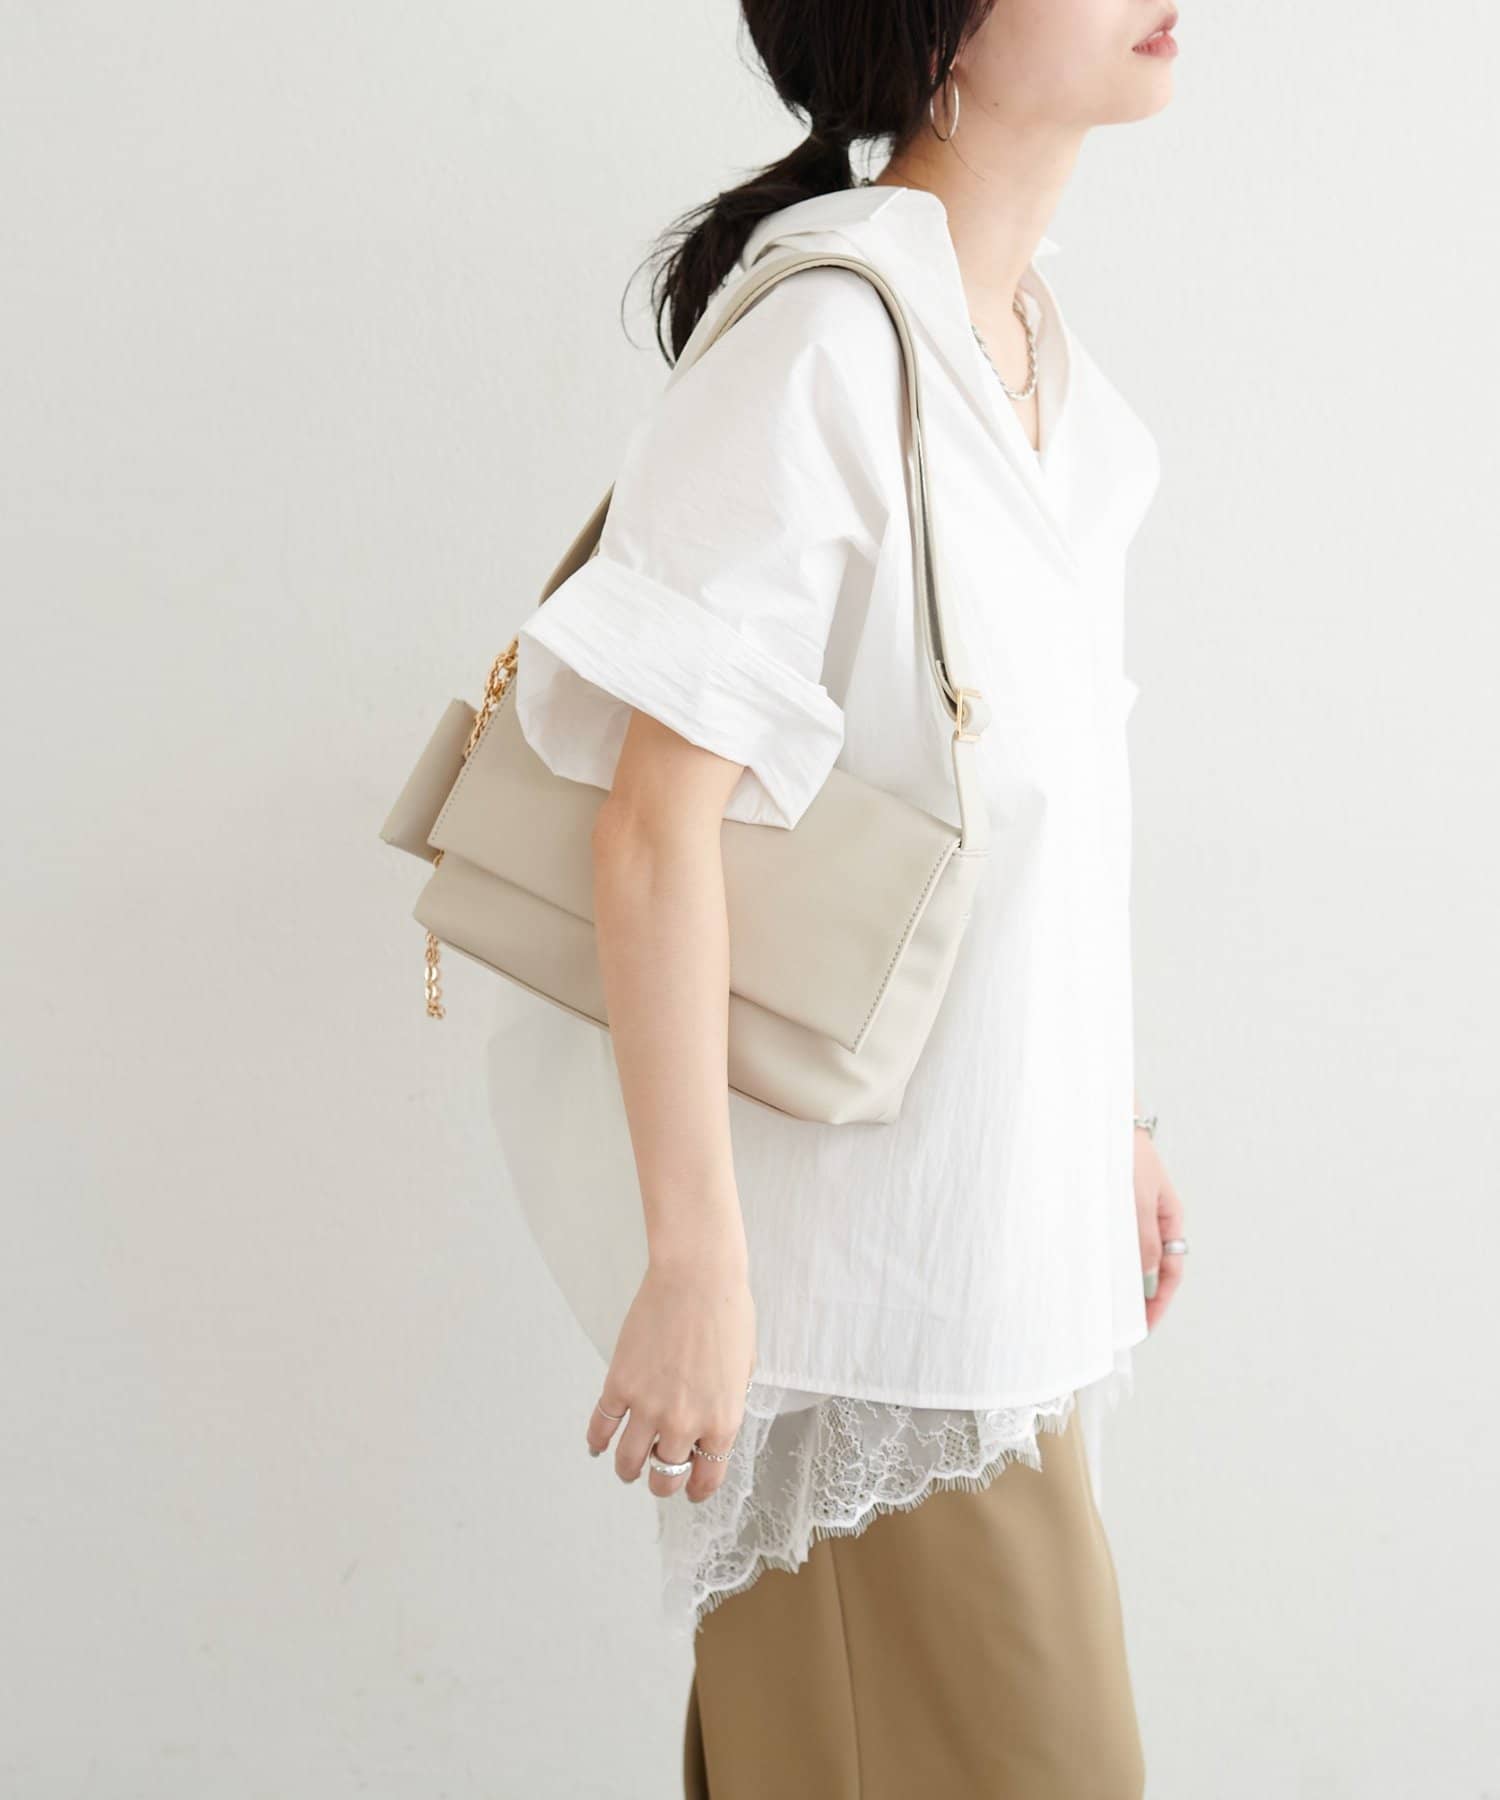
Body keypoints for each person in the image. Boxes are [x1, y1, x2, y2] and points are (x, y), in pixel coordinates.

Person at [483, 0, 1190, 1791]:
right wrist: (695, 1267)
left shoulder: (1043, 381)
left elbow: (1018, 821)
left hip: (986, 1284)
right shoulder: (824, 349)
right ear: (935, 31)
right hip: (865, 1312)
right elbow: (653, 826)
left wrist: (1104, 1116)